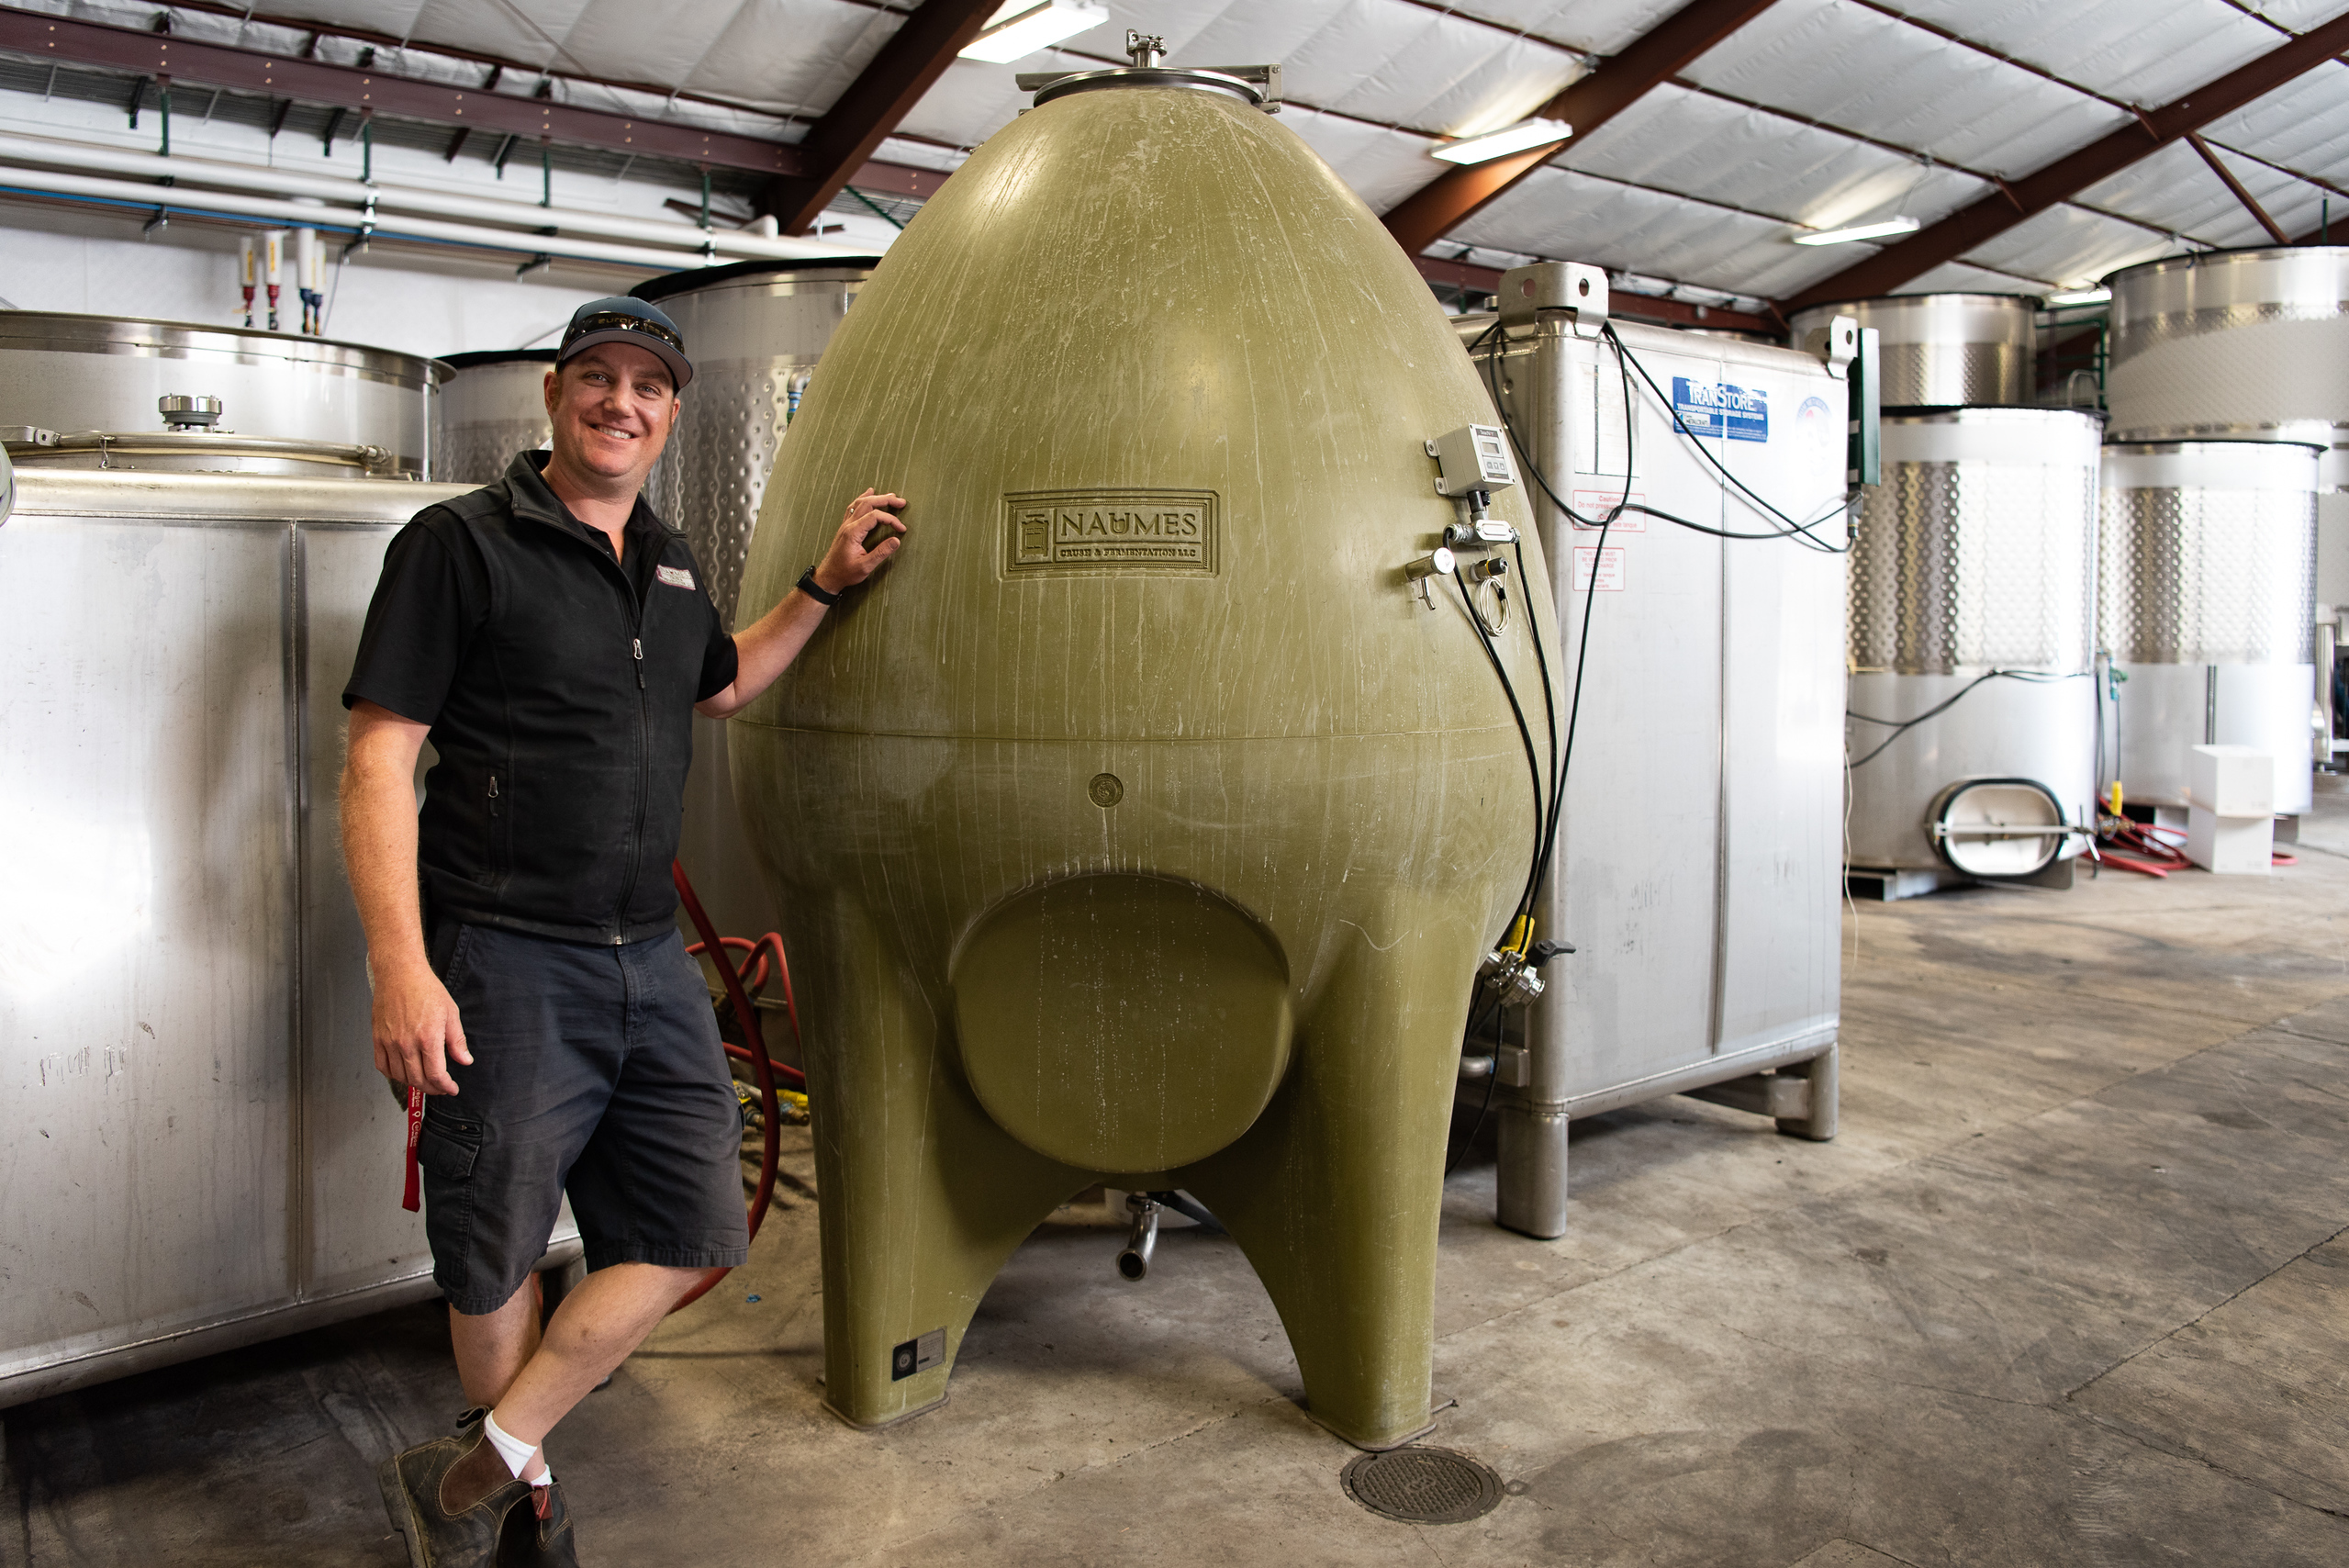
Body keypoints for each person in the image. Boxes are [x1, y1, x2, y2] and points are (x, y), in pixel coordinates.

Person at [341, 296, 903, 1566]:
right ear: (553, 394)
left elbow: (728, 684)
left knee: (694, 1223)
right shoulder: (461, 545)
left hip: (647, 954)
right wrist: (403, 966)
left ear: (672, 412)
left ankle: (476, 1469)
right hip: (502, 953)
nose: (621, 403)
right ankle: (513, 1511)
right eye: (596, 378)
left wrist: (823, 585)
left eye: (647, 386)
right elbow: (380, 759)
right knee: (495, 1253)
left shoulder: (671, 555)